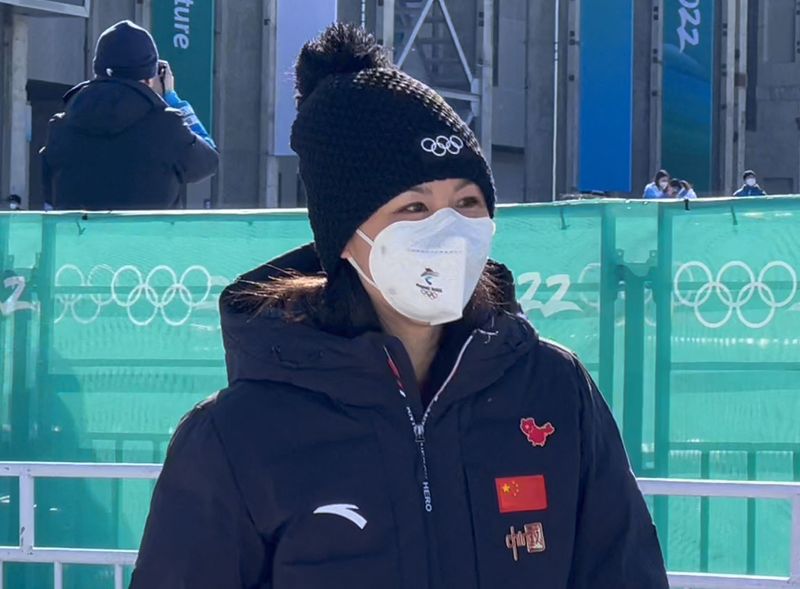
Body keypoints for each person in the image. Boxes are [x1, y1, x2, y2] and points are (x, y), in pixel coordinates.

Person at [130, 24, 668, 589]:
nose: (449, 230)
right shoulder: (239, 435)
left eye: (467, 202)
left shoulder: (555, 391)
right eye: (414, 208)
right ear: (345, 234)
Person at [39, 20, 218, 211]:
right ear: (150, 78)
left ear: (98, 71)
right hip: (145, 240)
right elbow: (210, 161)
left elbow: (50, 197)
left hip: (79, 239)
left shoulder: (61, 126)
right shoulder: (167, 126)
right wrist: (171, 98)